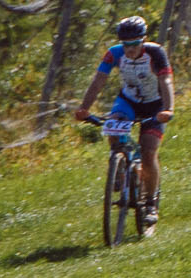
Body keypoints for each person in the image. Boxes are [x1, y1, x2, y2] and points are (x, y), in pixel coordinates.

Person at [72, 15, 172, 229]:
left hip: (155, 105)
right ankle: (119, 168)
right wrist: (85, 108)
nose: (130, 49)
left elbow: (166, 80)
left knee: (148, 151)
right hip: (128, 101)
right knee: (113, 127)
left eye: (135, 44)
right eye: (126, 44)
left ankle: (151, 203)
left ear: (143, 40)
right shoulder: (114, 53)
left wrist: (168, 108)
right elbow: (99, 80)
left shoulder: (155, 53)